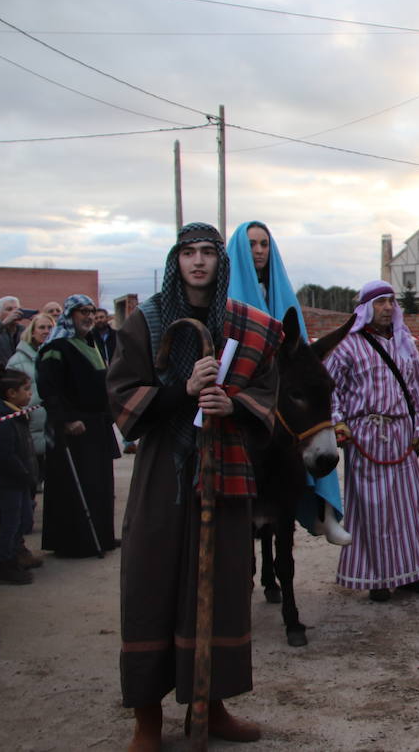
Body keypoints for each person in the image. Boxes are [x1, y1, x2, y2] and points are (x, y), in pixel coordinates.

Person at [108, 222, 281, 748]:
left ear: (220, 262)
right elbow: (121, 392)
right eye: (189, 253)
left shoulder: (245, 322)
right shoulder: (148, 319)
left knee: (222, 585)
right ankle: (148, 721)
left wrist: (236, 403)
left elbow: (269, 388)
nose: (199, 261)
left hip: (224, 465)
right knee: (150, 581)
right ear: (176, 260)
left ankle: (212, 706)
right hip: (165, 467)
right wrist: (182, 391)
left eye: (208, 252)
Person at [227, 219, 349, 544]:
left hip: (282, 380)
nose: (258, 250)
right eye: (252, 244)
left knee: (313, 425)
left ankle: (324, 511)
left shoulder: (281, 292)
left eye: (264, 244)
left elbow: (299, 343)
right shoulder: (225, 292)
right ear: (240, 248)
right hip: (242, 388)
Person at [326, 281, 419, 602]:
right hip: (366, 434)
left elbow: (418, 387)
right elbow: (327, 388)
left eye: (391, 301)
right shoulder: (347, 346)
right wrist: (337, 421)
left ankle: (414, 574)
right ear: (367, 308)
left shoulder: (406, 344)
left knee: (409, 507)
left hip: (401, 434)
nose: (388, 307)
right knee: (373, 509)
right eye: (380, 302)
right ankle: (379, 579)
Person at [36, 294, 117, 558]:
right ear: (70, 315)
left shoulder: (89, 342)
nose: (89, 316)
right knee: (77, 485)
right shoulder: (57, 347)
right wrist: (67, 419)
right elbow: (50, 388)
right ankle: (75, 542)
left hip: (96, 426)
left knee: (100, 484)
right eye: (83, 311)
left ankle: (101, 536)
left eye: (91, 311)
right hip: (74, 428)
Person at [0, 368, 41, 584]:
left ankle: (15, 555)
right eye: (26, 389)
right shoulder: (2, 418)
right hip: (10, 480)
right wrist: (25, 474)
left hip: (19, 477)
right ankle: (4, 564)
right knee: (10, 522)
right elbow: (6, 454)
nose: (29, 394)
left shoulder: (15, 411)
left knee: (19, 521)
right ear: (11, 393)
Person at [7, 312, 54, 482]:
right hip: (29, 425)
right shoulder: (16, 361)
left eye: (50, 327)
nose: (46, 331)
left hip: (52, 426)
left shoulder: (56, 355)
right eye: (42, 327)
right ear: (32, 331)